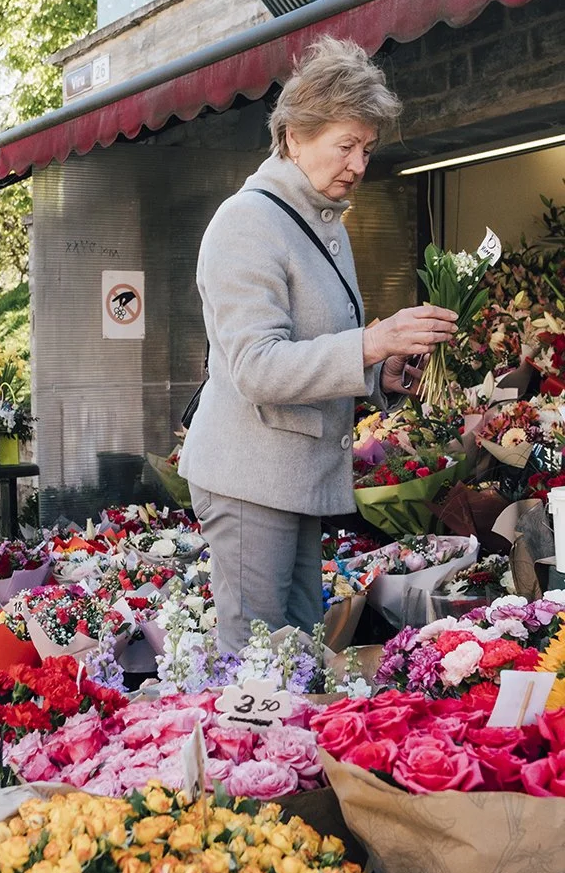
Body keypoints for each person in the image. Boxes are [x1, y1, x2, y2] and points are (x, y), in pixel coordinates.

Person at [178, 36, 458, 652]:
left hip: (289, 478)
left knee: (297, 653)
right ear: (294, 137)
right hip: (250, 478)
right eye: (346, 145)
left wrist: (376, 374)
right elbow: (255, 366)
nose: (359, 164)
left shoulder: (319, 222)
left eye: (368, 148)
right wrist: (371, 341)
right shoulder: (248, 221)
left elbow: (312, 350)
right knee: (257, 663)